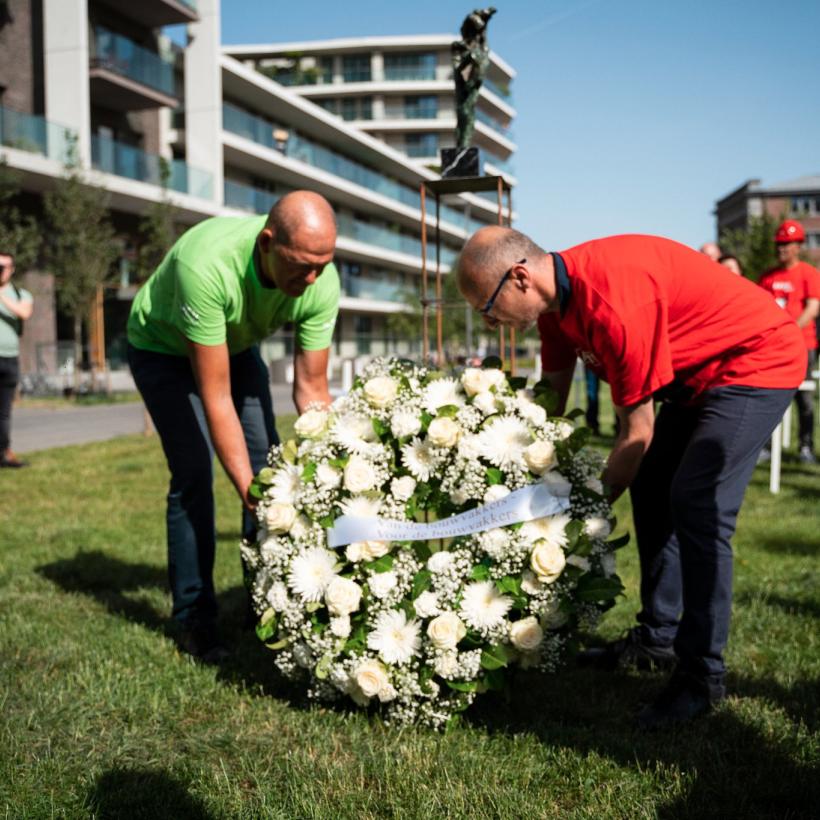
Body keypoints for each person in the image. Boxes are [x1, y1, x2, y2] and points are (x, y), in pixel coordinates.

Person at [456, 227, 804, 729]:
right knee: (654, 485)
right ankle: (657, 640)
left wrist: (577, 514)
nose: (491, 324)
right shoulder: (555, 308)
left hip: (756, 359)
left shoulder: (614, 303)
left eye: (488, 308)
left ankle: (701, 676)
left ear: (520, 277)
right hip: (700, 374)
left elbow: (636, 434)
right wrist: (499, 449)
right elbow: (551, 403)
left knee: (697, 503)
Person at [127, 191, 339, 662]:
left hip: (237, 348)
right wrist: (246, 487)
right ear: (267, 242)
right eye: (302, 265)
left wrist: (330, 469)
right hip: (162, 350)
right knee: (195, 472)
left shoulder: (321, 279)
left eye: (322, 266)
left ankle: (263, 604)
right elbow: (215, 396)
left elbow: (312, 387)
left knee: (271, 469)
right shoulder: (204, 265)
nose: (312, 278)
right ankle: (195, 618)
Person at [757, 219, 820, 463]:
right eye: (779, 244)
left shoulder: (808, 273)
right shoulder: (768, 277)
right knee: (770, 397)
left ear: (798, 246)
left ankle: (806, 446)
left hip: (802, 345)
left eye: (787, 244)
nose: (781, 248)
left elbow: (813, 307)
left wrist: (790, 330)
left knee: (804, 399)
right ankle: (767, 447)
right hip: (773, 348)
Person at [0, 252, 33, 468]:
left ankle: (4, 452)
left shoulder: (21, 294)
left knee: (4, 411)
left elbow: (24, 313)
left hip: (10, 358)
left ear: (12, 269)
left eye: (4, 266)